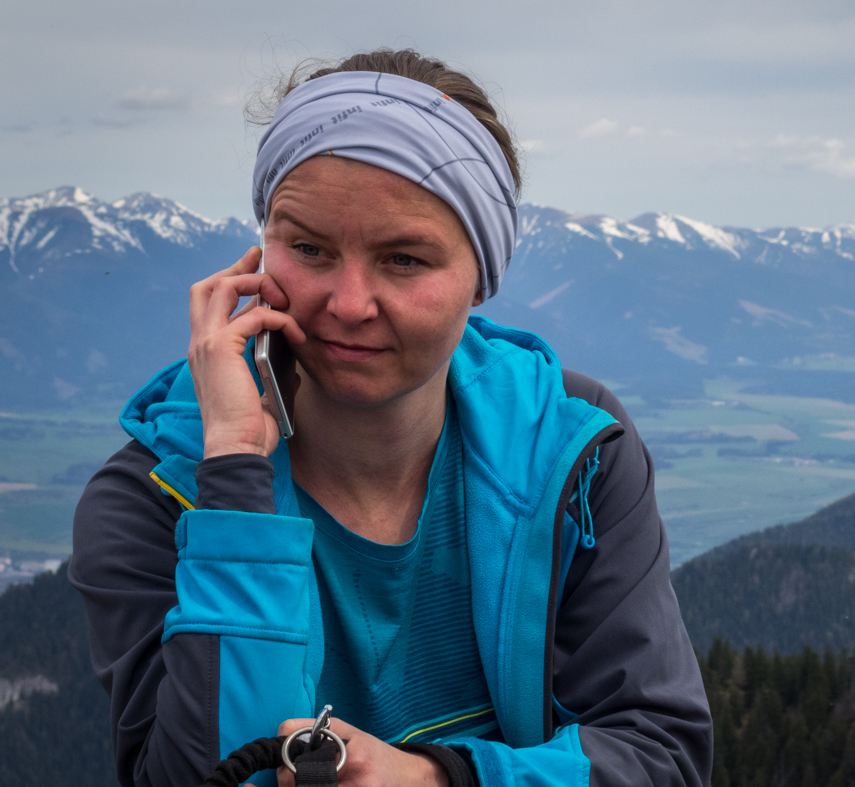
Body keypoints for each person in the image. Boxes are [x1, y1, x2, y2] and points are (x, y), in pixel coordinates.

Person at [69, 49, 712, 787]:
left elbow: (659, 754)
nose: (347, 302)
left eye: (403, 259)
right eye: (307, 247)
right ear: (259, 252)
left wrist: (439, 780)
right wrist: (236, 477)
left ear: (481, 278)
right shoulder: (158, 494)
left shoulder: (572, 448)